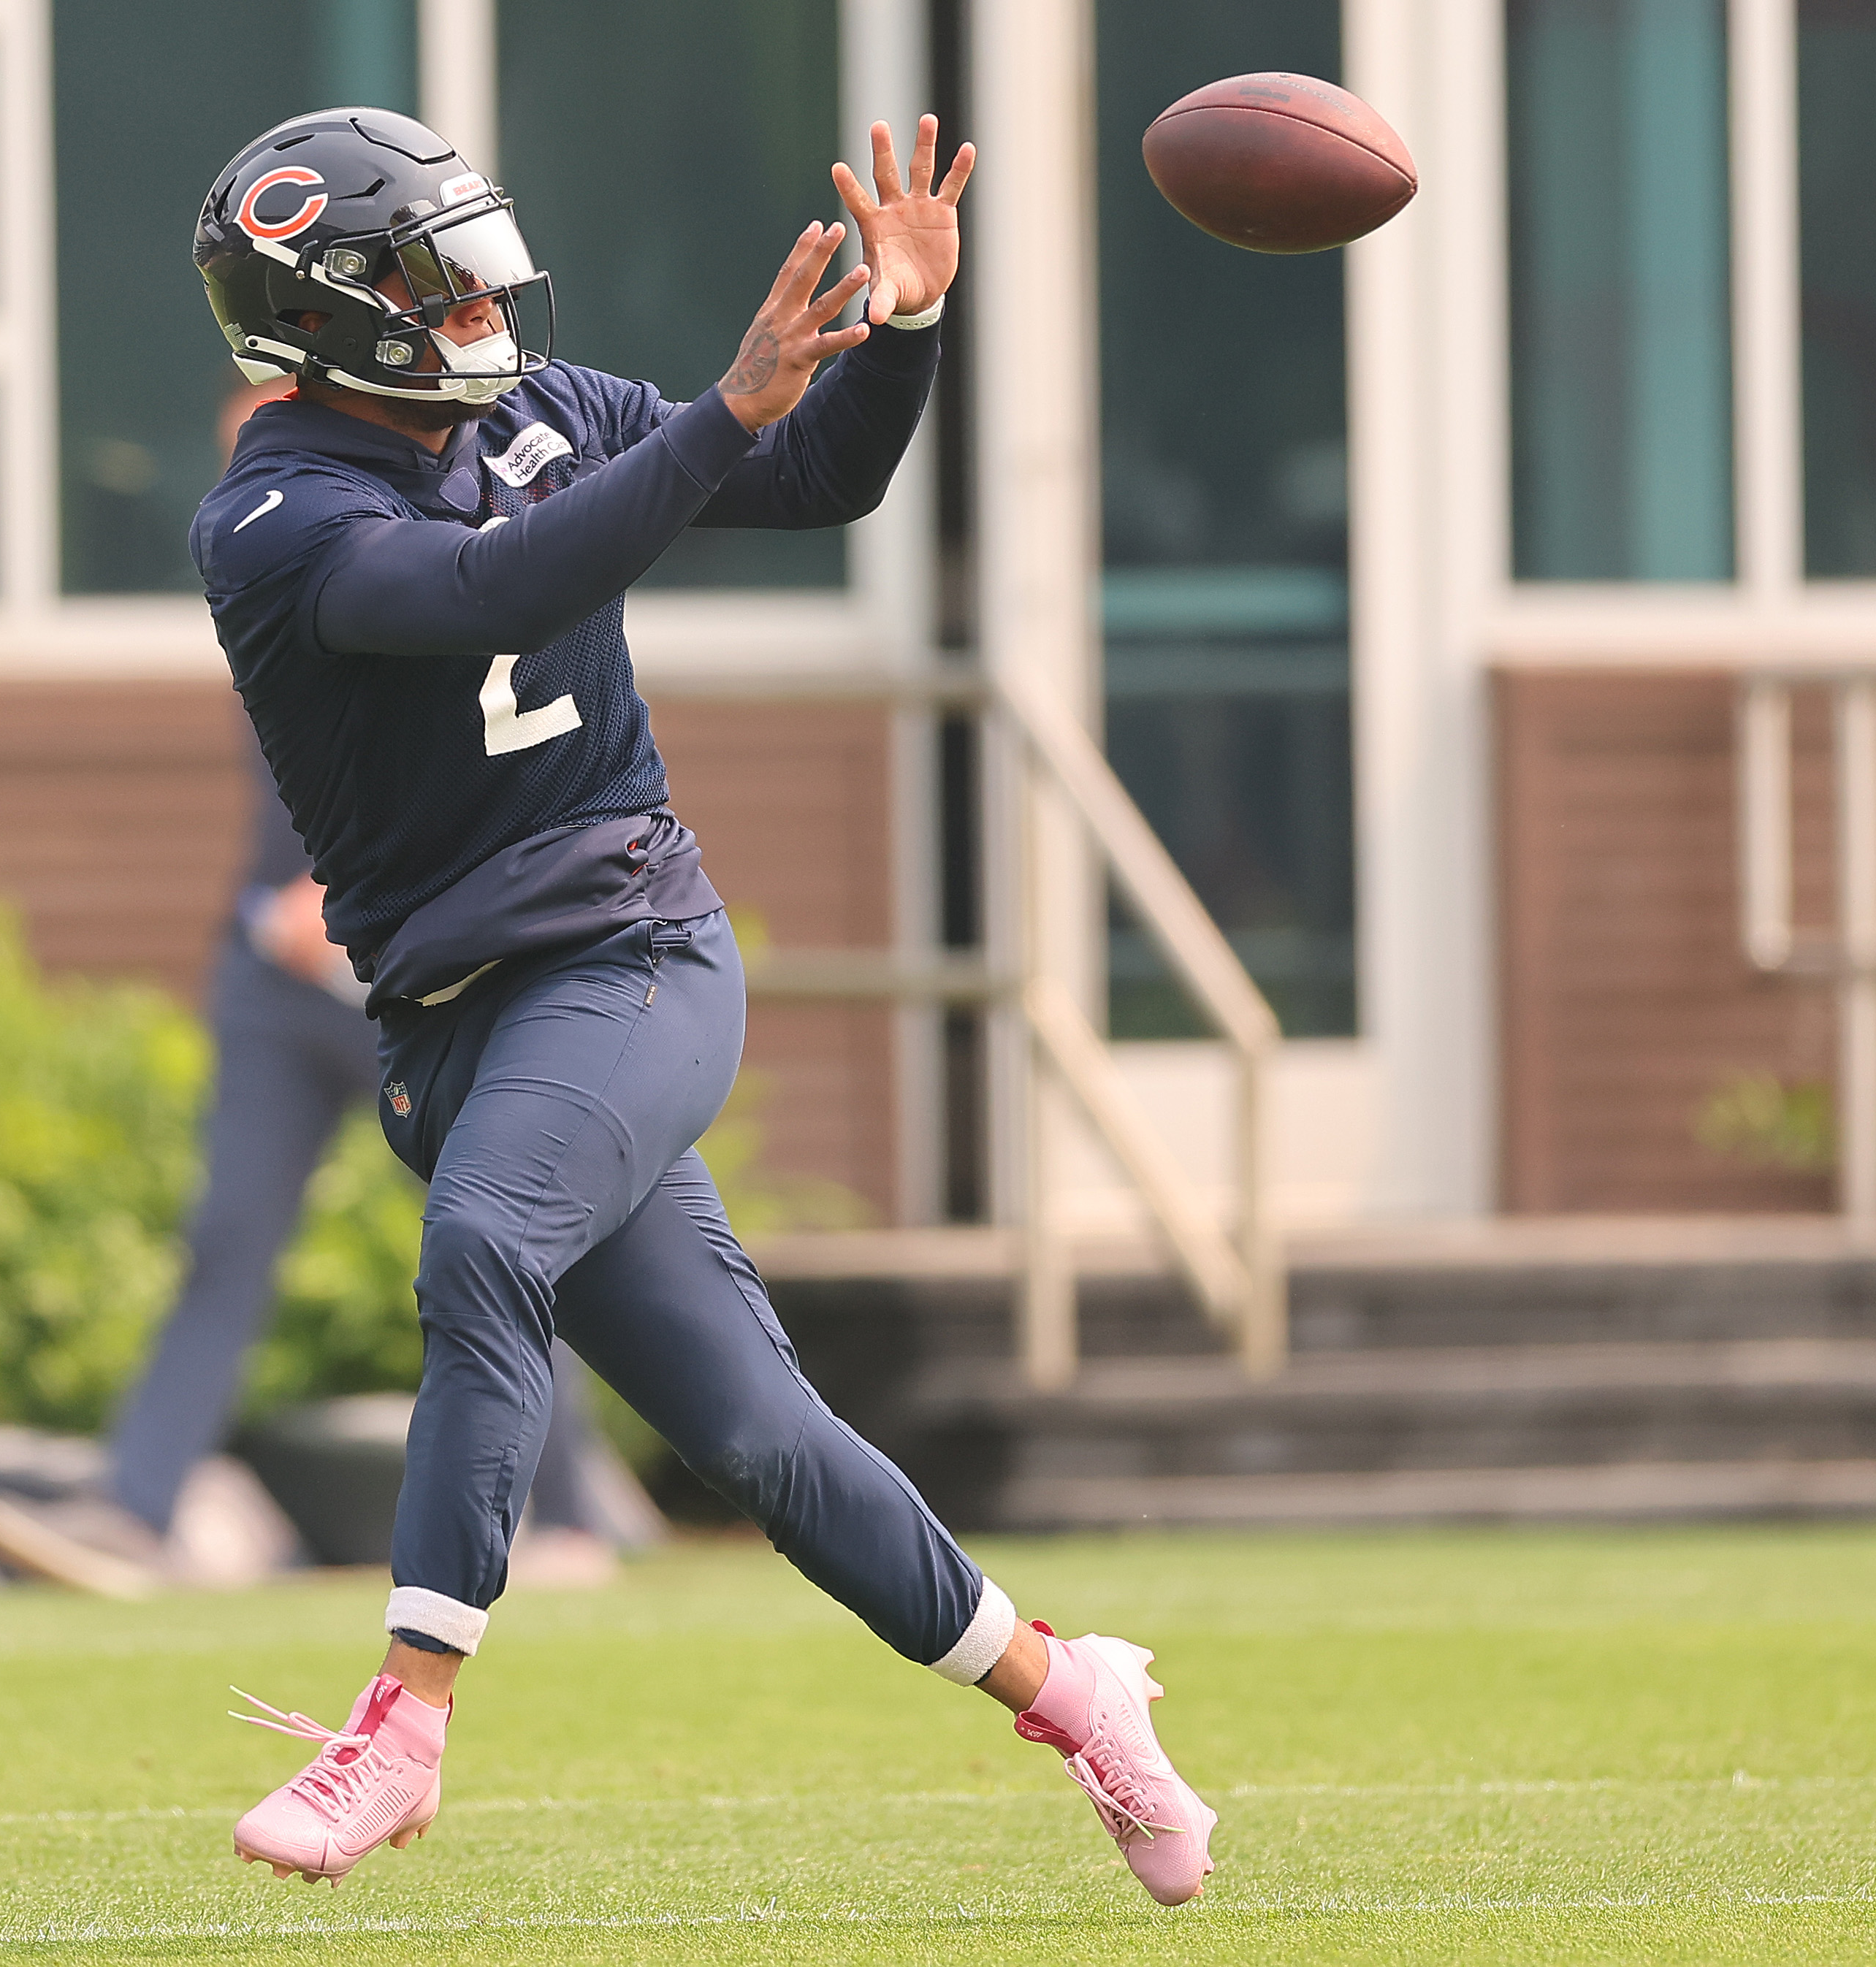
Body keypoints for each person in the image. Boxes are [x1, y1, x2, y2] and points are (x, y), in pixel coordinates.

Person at [186, 107, 1215, 1903]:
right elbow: (502, 581)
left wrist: (900, 330)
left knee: (485, 1249)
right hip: (450, 1018)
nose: (469, 306)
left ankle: (403, 1727)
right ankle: (1078, 1693)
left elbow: (821, 477)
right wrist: (719, 414)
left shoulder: (544, 406)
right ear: (327, 314)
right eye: (423, 280)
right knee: (761, 1443)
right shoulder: (276, 513)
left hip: (631, 956)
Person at [0, 381, 629, 1599]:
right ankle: (134, 1510)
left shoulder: (430, 571)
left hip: (415, 968)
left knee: (498, 1228)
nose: (257, 487)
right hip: (279, 984)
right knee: (227, 1240)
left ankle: (582, 1510)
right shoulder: (259, 577)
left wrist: (371, 903)